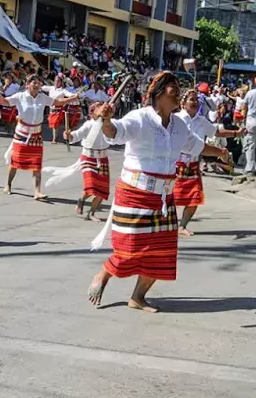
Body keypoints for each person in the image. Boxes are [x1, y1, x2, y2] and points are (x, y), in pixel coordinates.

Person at [84, 71, 205, 313]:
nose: (178, 91)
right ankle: (103, 275)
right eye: (173, 87)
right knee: (130, 249)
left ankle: (138, 297)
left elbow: (197, 147)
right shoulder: (139, 118)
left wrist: (222, 153)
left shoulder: (180, 125)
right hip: (135, 194)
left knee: (163, 253)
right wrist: (105, 120)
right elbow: (115, 132)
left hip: (163, 198)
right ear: (158, 92)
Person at [0, 73, 78, 200]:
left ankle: (37, 191)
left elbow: (57, 102)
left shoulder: (43, 97)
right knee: (15, 163)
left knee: (37, 165)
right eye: (34, 82)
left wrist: (72, 98)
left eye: (38, 83)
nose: (37, 85)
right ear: (27, 85)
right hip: (21, 135)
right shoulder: (20, 96)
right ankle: (8, 185)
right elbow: (3, 101)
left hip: (36, 135)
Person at [173, 88, 236, 236]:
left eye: (196, 100)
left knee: (194, 198)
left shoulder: (201, 121)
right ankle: (166, 224)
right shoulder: (176, 119)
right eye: (191, 100)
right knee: (169, 198)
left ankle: (182, 226)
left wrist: (235, 133)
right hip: (175, 164)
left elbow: (216, 132)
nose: (195, 102)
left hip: (194, 164)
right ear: (183, 103)